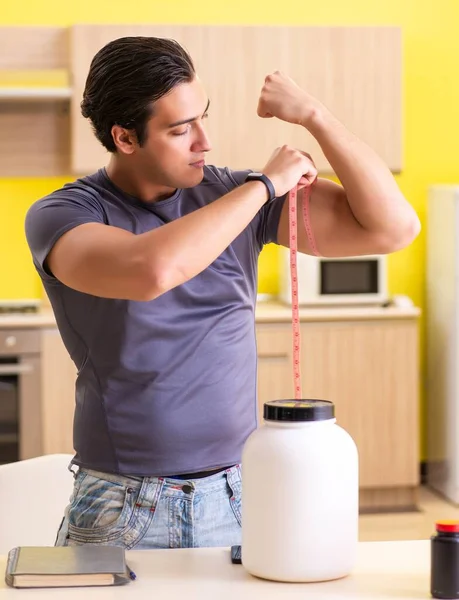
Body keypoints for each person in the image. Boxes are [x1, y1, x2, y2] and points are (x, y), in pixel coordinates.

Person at [25, 36, 420, 550]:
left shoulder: (230, 195)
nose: (204, 141)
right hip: (124, 505)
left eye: (202, 117)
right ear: (125, 137)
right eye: (180, 128)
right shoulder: (66, 214)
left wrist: (316, 117)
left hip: (239, 491)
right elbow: (152, 270)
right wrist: (263, 187)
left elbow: (393, 229)